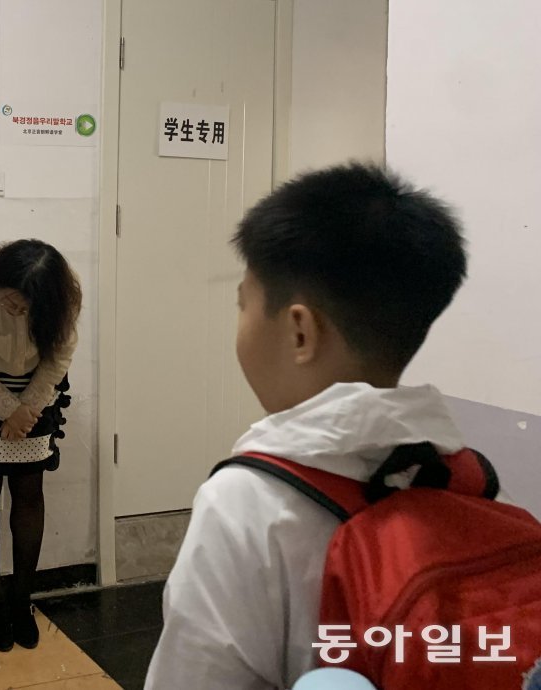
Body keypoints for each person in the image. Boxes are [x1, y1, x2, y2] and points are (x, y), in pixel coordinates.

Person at [143, 163, 469, 689]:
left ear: (299, 331)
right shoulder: (465, 474)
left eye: (243, 304)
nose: (240, 323)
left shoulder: (248, 505)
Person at [0, 239, 81, 652]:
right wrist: (7, 408)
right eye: (11, 304)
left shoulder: (65, 291)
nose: (18, 312)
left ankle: (22, 600)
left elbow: (60, 356)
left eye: (26, 308)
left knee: (28, 489)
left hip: (37, 390)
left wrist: (27, 409)